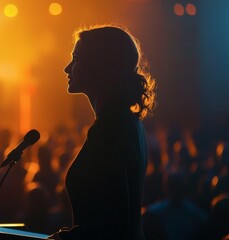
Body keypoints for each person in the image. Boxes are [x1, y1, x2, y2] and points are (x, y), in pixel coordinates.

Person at [49, 25, 156, 240]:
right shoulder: (128, 122)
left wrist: (65, 238)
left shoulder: (109, 129)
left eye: (76, 59)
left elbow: (115, 223)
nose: (67, 68)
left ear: (100, 66)